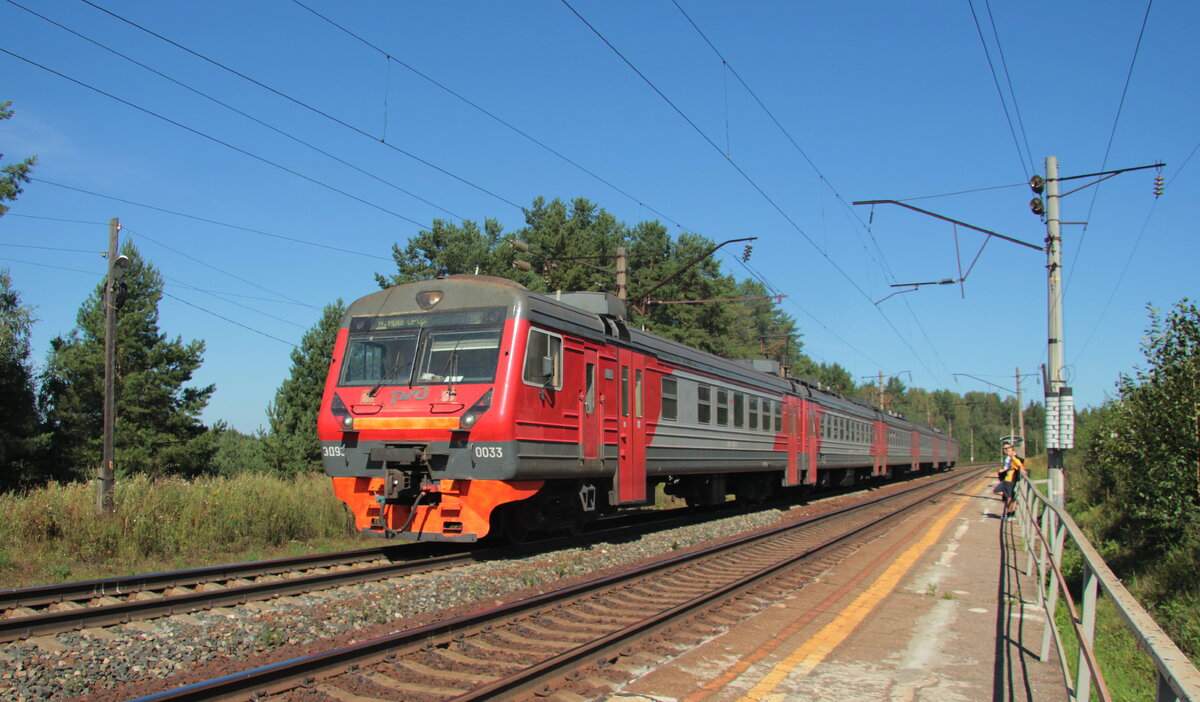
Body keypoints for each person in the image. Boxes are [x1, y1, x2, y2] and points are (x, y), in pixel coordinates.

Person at [997, 443, 1025, 517]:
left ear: (1011, 449)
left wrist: (1022, 470)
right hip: (1006, 479)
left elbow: (1020, 464)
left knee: (1010, 497)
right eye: (1003, 449)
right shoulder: (1008, 457)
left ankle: (1011, 514)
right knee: (1007, 498)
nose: (1004, 450)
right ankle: (1009, 513)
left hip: (1011, 480)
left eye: (1006, 449)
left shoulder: (1014, 457)